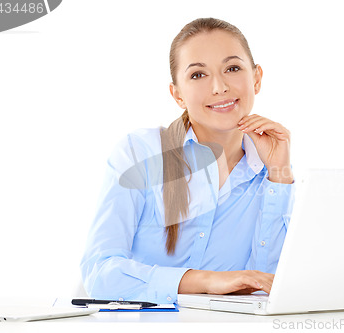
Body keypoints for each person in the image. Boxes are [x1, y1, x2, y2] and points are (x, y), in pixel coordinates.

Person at [80, 17, 295, 304]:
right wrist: (205, 280)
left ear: (256, 78)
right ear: (177, 94)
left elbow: (269, 287)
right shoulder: (140, 153)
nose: (219, 87)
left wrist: (278, 176)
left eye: (232, 68)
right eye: (198, 75)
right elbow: (99, 273)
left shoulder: (270, 172)